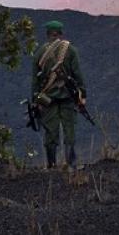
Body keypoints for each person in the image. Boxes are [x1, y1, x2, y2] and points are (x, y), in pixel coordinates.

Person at [30, 20, 86, 169]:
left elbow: (35, 80)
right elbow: (78, 75)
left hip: (47, 99)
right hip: (68, 98)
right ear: (61, 33)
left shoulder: (39, 53)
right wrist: (83, 95)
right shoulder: (71, 50)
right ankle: (71, 165)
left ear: (48, 34)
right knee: (70, 130)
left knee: (50, 131)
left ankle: (51, 165)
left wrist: (35, 100)